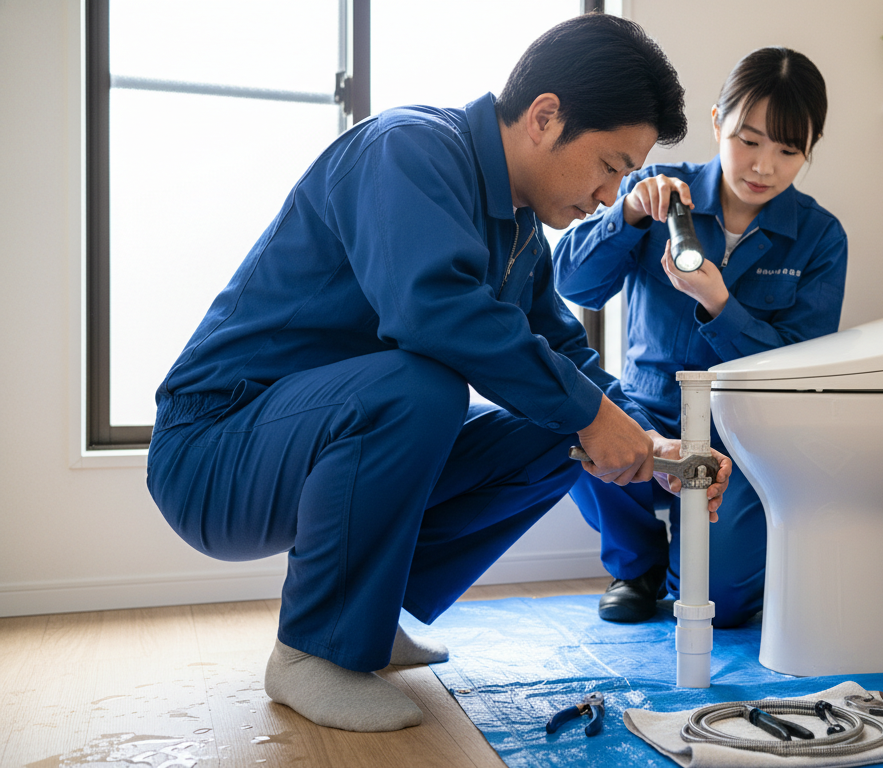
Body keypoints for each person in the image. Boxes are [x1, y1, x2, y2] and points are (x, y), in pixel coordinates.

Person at [145, 14, 731, 734]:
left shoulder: (517, 228)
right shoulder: (410, 151)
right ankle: (312, 652)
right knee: (422, 386)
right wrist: (591, 415)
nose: (611, 197)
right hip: (213, 450)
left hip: (302, 441)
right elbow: (434, 314)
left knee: (552, 434)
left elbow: (564, 355)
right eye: (610, 165)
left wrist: (648, 443)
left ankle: (367, 612)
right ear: (546, 117)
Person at [553, 47, 846, 628]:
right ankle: (636, 566)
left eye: (788, 150)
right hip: (644, 411)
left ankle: (688, 567)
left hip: (742, 434)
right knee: (568, 419)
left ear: (810, 149)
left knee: (722, 606)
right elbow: (575, 283)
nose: (763, 165)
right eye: (749, 139)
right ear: (717, 122)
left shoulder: (819, 237)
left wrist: (718, 303)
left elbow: (800, 366)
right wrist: (627, 214)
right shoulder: (657, 193)